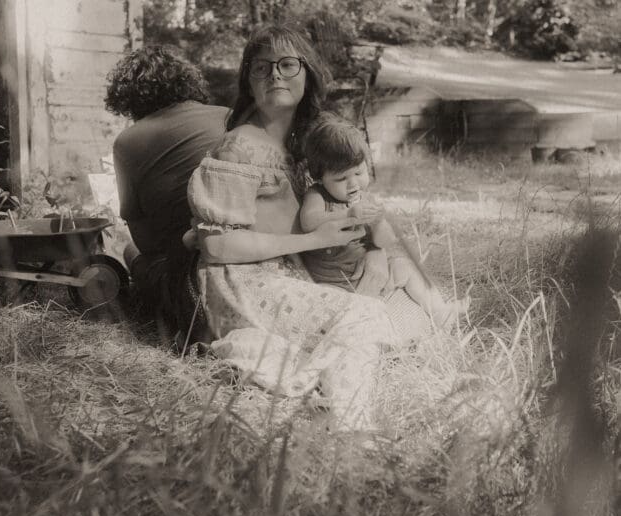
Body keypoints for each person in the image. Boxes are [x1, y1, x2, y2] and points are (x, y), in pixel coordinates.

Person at [186, 24, 434, 434]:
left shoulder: (307, 143)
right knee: (362, 314)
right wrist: (312, 240)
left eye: (287, 64)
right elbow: (216, 245)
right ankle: (350, 426)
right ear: (249, 80)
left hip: (302, 268)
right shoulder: (240, 145)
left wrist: (374, 251)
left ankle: (332, 381)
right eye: (262, 68)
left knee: (408, 300)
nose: (275, 76)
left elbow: (356, 204)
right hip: (248, 282)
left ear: (308, 73)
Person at [300, 113, 469, 326]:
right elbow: (308, 221)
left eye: (359, 173)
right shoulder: (317, 195)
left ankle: (440, 312)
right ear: (321, 179)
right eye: (341, 178)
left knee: (406, 267)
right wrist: (348, 214)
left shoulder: (367, 201)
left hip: (369, 276)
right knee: (330, 310)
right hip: (334, 283)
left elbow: (384, 242)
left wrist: (378, 221)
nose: (353, 184)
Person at [105, 47, 228, 329]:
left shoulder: (128, 141)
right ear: (188, 82)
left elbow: (146, 241)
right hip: (249, 254)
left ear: (128, 98)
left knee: (128, 249)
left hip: (188, 278)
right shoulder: (228, 116)